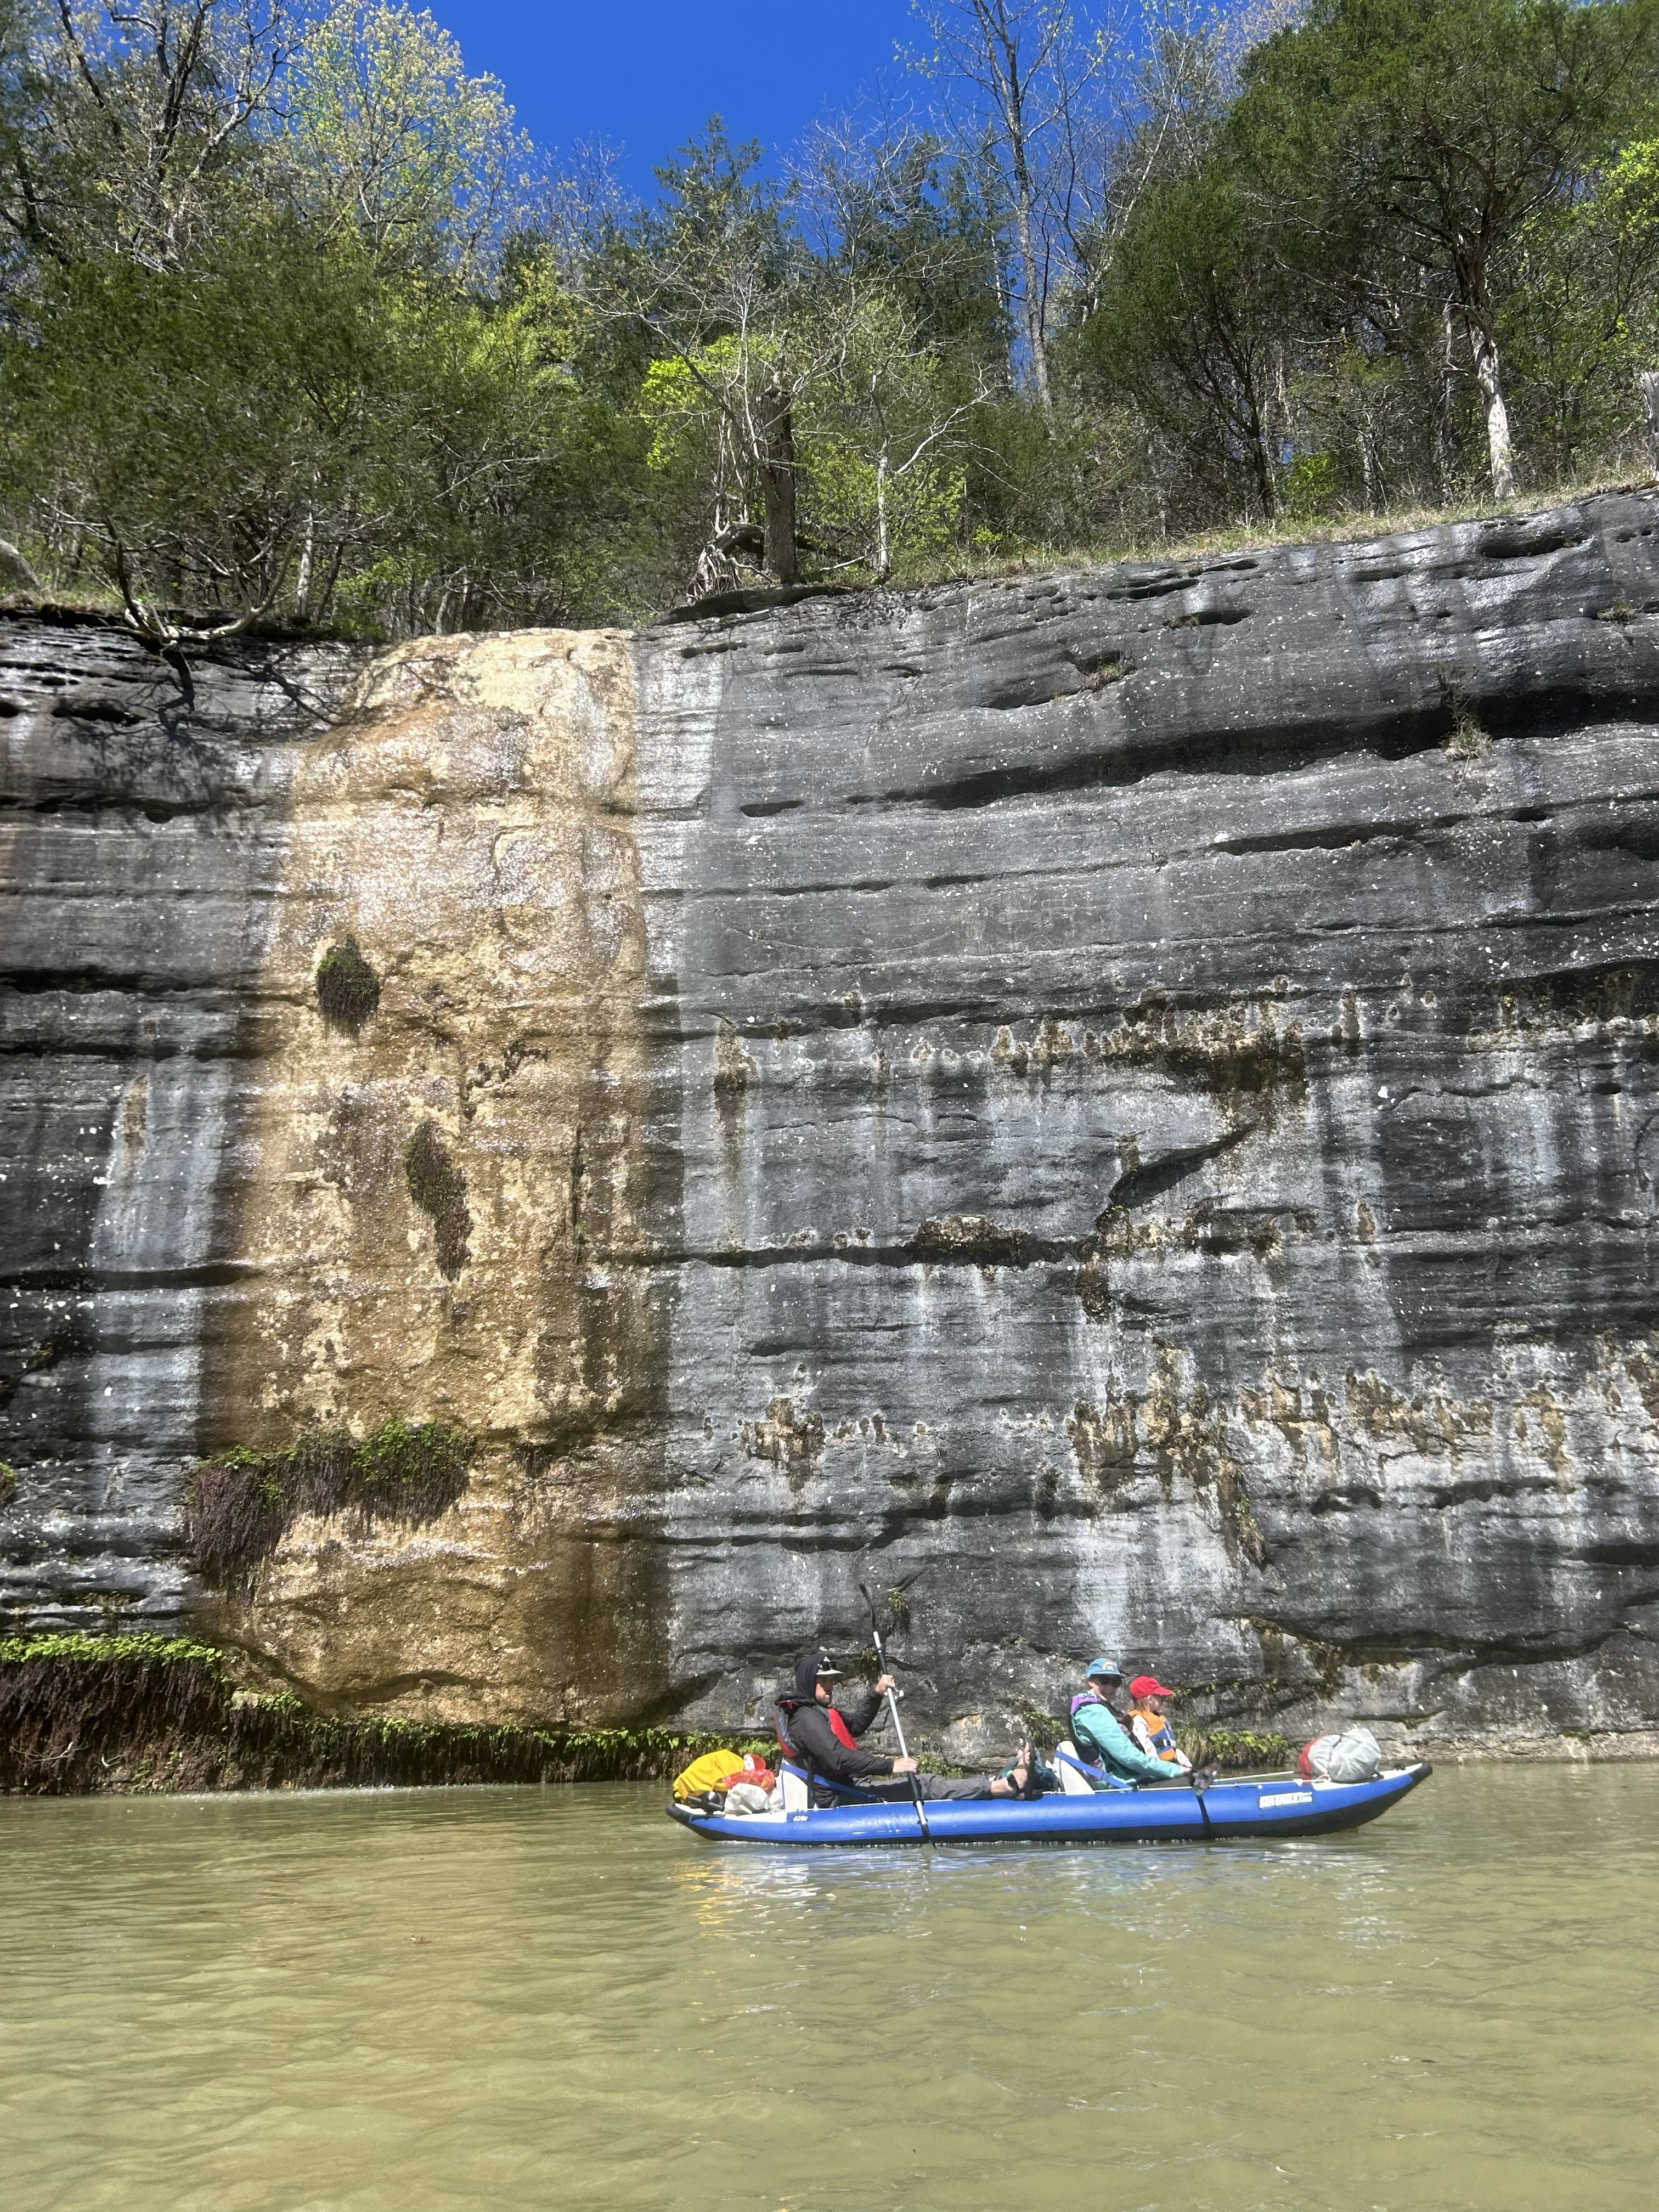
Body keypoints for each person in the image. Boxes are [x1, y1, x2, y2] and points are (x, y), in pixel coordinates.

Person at [775, 1652, 1037, 1804]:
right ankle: (1001, 1788)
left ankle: (996, 1780)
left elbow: (854, 1725)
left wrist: (876, 1694)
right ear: (810, 1682)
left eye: (832, 1680)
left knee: (922, 1781)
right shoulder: (806, 1718)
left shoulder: (817, 1712)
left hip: (853, 1786)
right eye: (825, 1681)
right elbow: (839, 1757)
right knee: (923, 1783)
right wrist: (892, 1765)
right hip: (842, 1798)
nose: (831, 1686)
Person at [1066, 1657, 1184, 1787]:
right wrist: (1176, 1770)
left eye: (1115, 1682)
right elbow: (1128, 1757)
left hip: (1126, 1778)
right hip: (1118, 1784)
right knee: (1189, 1784)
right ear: (1091, 1681)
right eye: (1104, 1680)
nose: (1110, 1687)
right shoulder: (1092, 1712)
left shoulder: (1096, 1708)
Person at [1128, 1674, 1193, 1772]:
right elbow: (1149, 1752)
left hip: (1170, 1766)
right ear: (1151, 1699)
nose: (1163, 1699)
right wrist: (1167, 1771)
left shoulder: (1158, 1717)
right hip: (1159, 1771)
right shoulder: (1139, 1721)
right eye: (1161, 1697)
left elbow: (1173, 1750)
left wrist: (1187, 1764)